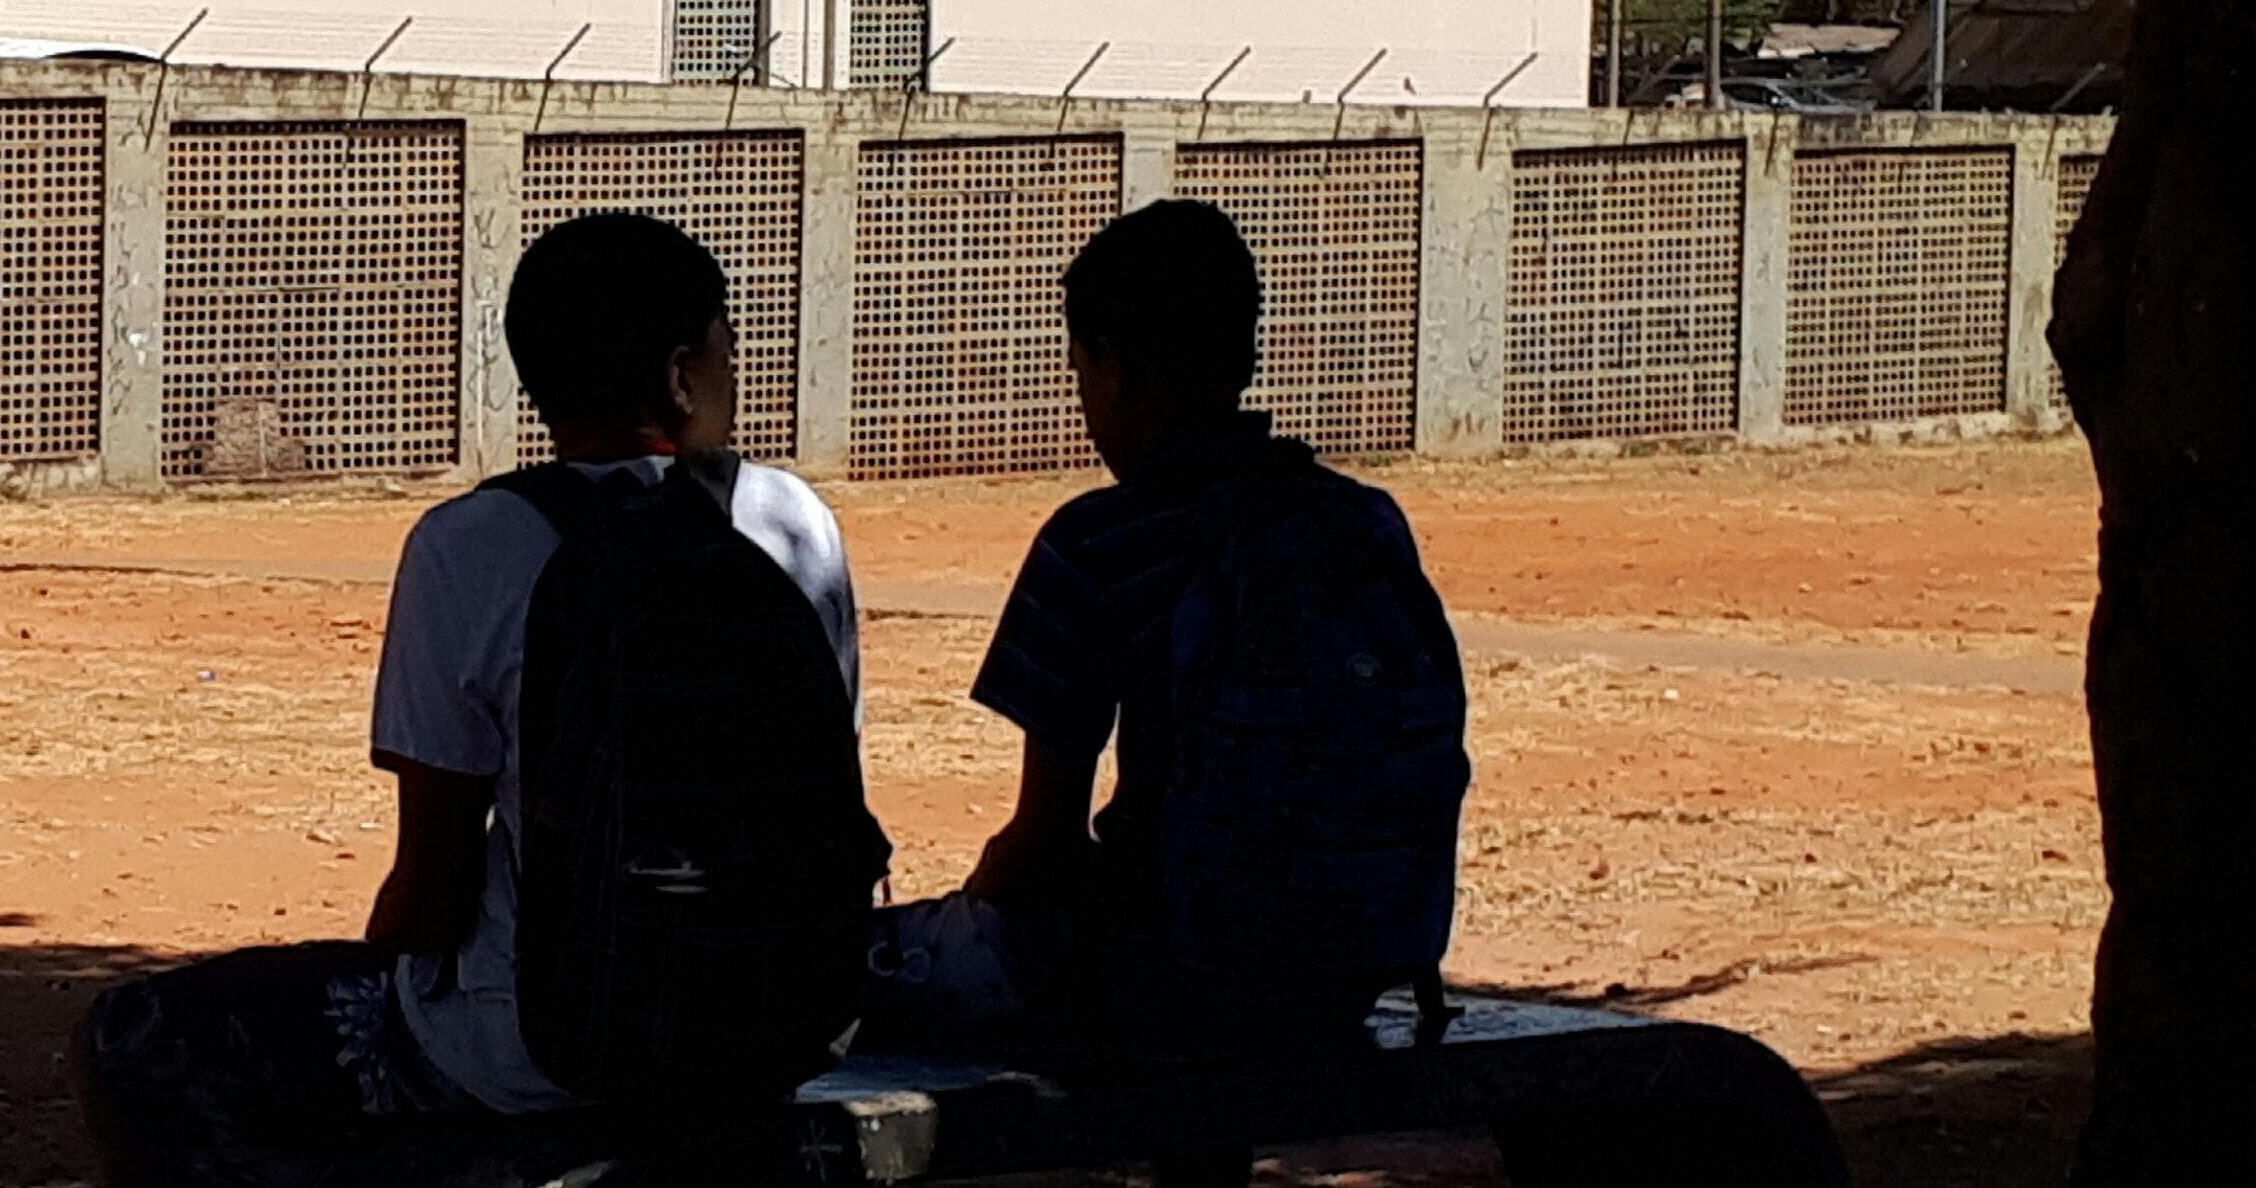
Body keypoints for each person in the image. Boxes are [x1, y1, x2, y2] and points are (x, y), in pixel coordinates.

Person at [75, 212, 865, 1186]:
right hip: (787, 1021)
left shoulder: (473, 542)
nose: (732, 369)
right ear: (678, 373)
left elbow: (434, 886)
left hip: (542, 1046)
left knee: (135, 1036)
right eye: (726, 345)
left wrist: (389, 975)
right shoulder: (795, 522)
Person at [870, 198, 1469, 1056]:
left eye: (1082, 376)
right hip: (1355, 969)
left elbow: (1044, 845)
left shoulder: (1097, 543)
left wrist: (966, 919)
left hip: (1160, 978)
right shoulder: (1363, 523)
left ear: (1112, 370)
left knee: (877, 973)